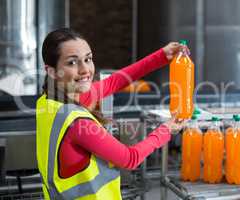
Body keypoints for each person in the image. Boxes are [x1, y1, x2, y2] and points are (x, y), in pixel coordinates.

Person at [36, 28, 186, 200]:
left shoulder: (48, 102)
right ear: (52, 71)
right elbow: (130, 158)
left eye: (88, 59)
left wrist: (161, 56)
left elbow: (114, 82)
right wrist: (166, 129)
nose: (85, 69)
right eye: (72, 62)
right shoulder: (77, 123)